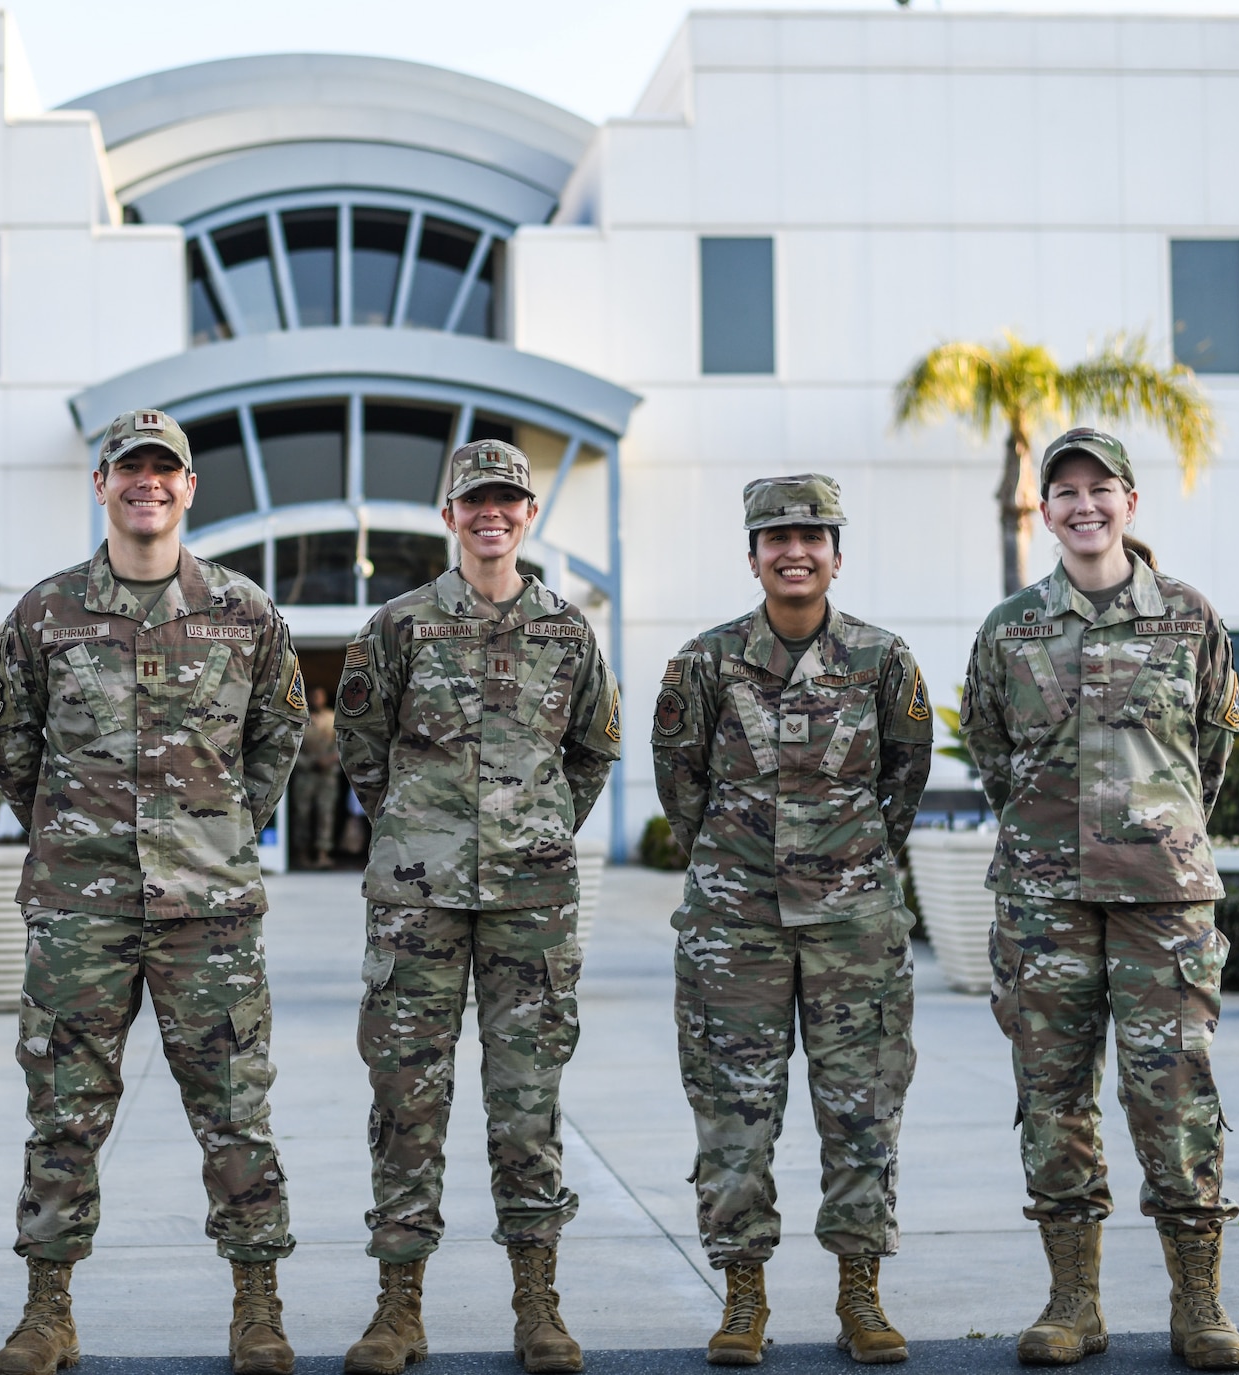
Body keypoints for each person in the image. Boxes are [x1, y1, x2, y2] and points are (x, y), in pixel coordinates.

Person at [0, 408, 309, 1375]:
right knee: (63, 1108)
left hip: (209, 910)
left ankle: (257, 1307)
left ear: (189, 487)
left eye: (165, 470)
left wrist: (217, 832)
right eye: (130, 469)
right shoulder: (46, 613)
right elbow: (8, 743)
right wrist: (72, 828)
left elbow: (276, 739)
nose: (146, 484)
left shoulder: (245, 612)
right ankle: (47, 1311)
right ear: (103, 484)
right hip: (81, 907)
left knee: (235, 1107)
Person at [335, 438, 622, 1375]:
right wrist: (421, 830)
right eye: (474, 500)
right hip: (415, 904)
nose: (491, 514)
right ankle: (398, 1307)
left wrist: (533, 826)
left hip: (530, 903)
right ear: (448, 514)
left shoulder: (568, 632)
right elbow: (363, 748)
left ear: (528, 513)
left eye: (507, 500)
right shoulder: (400, 626)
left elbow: (590, 752)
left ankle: (537, 1306)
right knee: (406, 1101)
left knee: (526, 1104)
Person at [962, 428, 1239, 1372]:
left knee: (1175, 1095)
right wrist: (1055, 838)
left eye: (1102, 489)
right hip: (1044, 903)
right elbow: (995, 757)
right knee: (1052, 1098)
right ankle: (1072, 1298)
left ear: (1132, 502)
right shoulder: (1009, 628)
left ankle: (1199, 1298)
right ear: (1044, 511)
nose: (1085, 505)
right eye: (1066, 491)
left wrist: (1150, 836)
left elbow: (1209, 753)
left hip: (1163, 903)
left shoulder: (1190, 618)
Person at [651, 475, 931, 1367]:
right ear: (753, 556)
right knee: (733, 1110)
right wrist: (737, 865)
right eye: (776, 537)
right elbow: (679, 783)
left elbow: (904, 779)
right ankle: (743, 1295)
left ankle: (860, 1294)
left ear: (836, 553)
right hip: (733, 926)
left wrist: (850, 862)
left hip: (856, 926)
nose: (794, 550)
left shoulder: (884, 660)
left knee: (862, 1110)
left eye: (811, 535)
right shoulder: (704, 661)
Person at [292, 685, 342, 867]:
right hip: (305, 773)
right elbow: (292, 746)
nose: (316, 700)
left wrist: (330, 759)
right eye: (313, 696)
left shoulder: (333, 718)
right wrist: (309, 762)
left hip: (328, 773)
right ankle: (302, 853)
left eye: (319, 696)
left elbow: (342, 743)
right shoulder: (300, 718)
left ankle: (323, 853)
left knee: (326, 813)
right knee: (302, 813)